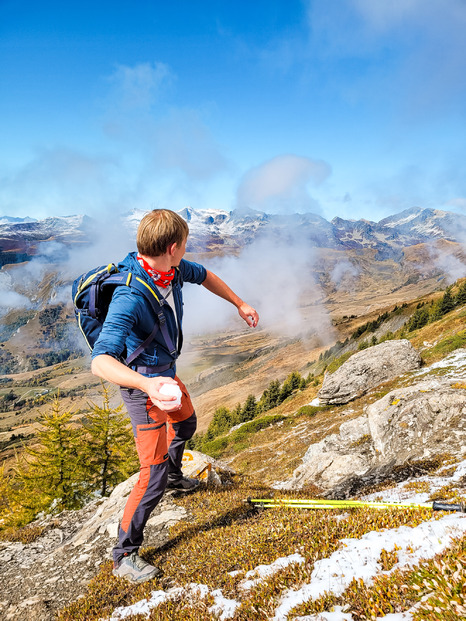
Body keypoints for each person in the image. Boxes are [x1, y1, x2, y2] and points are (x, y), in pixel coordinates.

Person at [91, 208, 259, 583]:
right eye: (185, 245)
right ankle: (124, 556)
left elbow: (207, 276)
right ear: (173, 246)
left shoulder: (172, 270)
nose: (187, 252)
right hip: (144, 387)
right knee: (150, 473)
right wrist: (147, 385)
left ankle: (174, 477)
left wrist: (239, 303)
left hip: (165, 377)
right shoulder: (130, 296)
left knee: (186, 424)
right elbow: (100, 362)